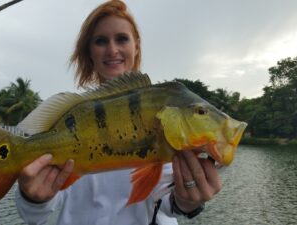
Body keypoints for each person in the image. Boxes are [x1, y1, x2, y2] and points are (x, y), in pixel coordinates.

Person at [15, 1, 221, 224]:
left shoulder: (165, 114)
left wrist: (188, 201)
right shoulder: (72, 115)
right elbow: (35, 214)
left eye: (122, 39)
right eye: (101, 41)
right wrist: (32, 198)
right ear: (90, 51)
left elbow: (167, 204)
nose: (112, 49)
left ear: (137, 45)